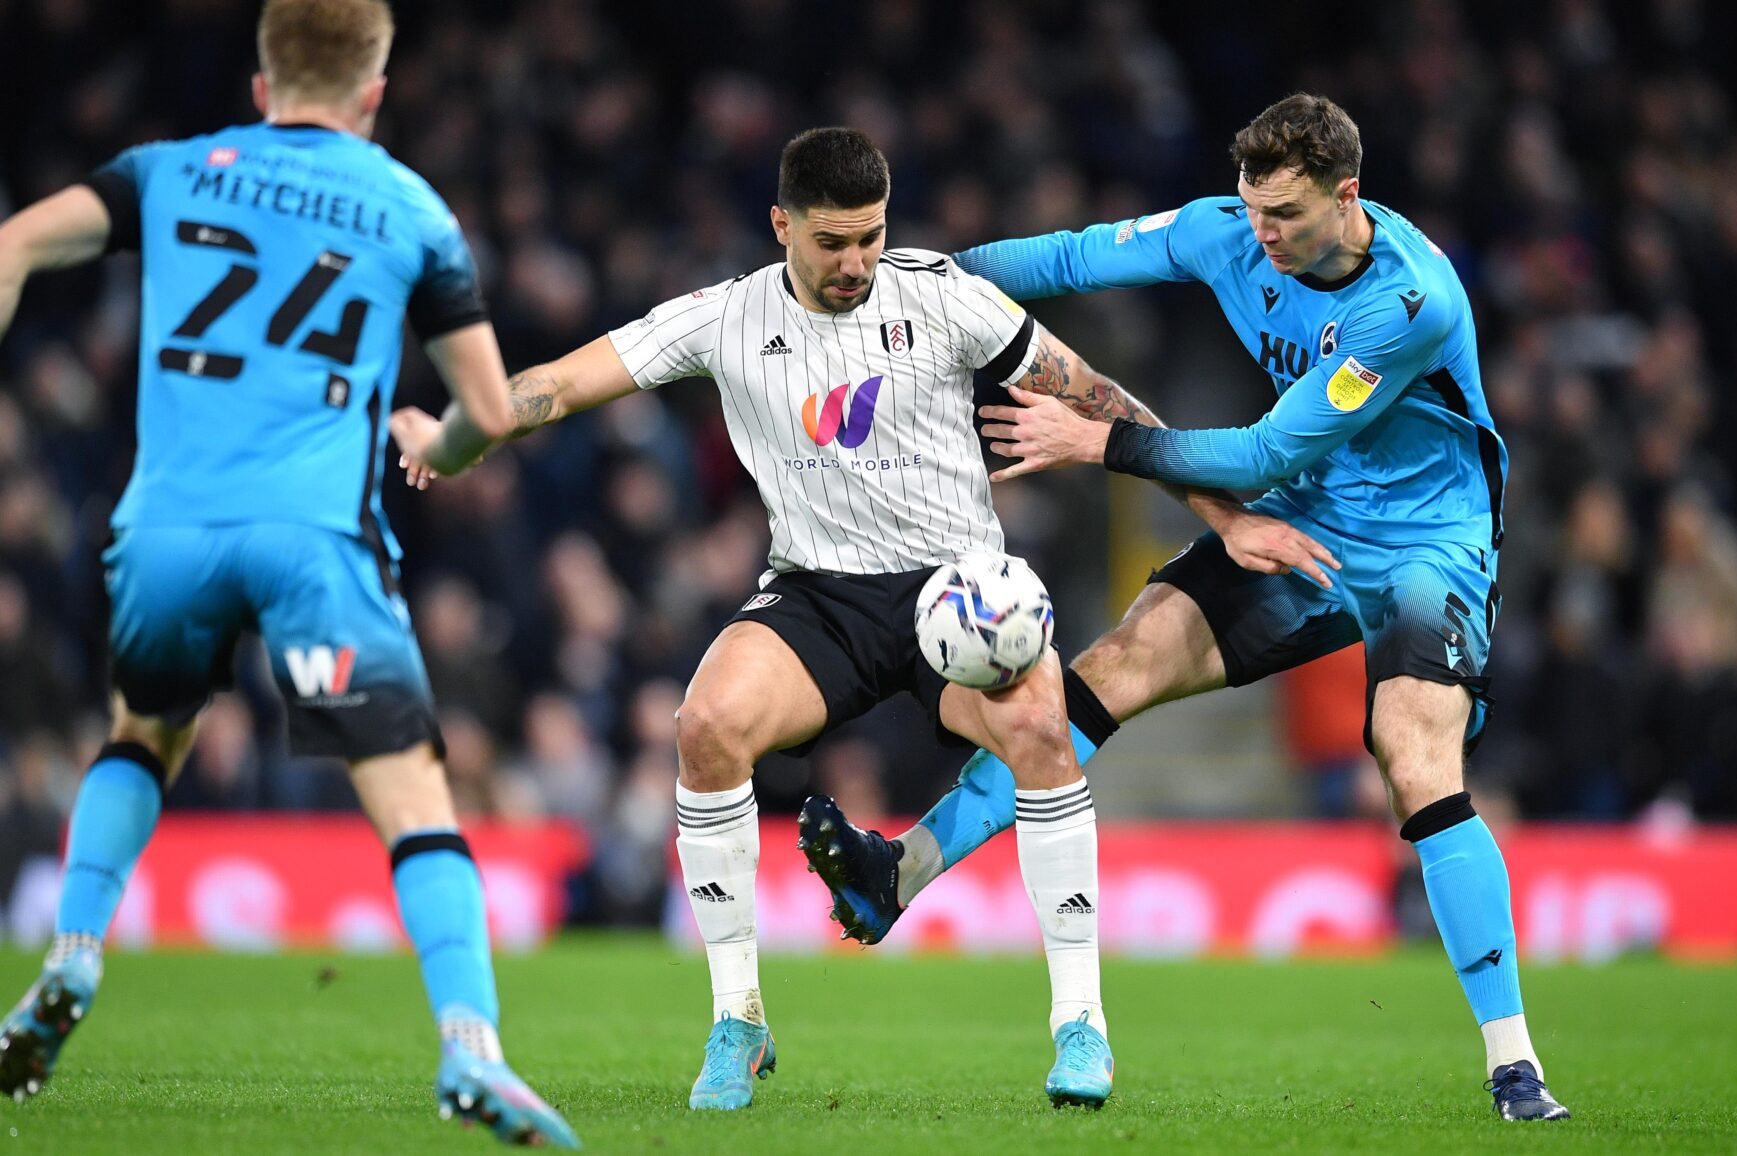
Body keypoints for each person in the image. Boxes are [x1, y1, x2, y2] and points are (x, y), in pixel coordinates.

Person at [396, 126, 1306, 1111]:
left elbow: (1094, 396)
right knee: (705, 727)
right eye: (831, 242)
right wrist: (460, 434)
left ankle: (1080, 1025)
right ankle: (738, 1019)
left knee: (1045, 728)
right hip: (819, 594)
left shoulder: (943, 294)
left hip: (955, 592)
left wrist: (1224, 515)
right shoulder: (725, 316)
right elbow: (562, 383)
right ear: (781, 225)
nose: (855, 263)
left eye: (870, 237)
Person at [799, 93, 1570, 1122]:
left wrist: (1099, 441)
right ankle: (896, 873)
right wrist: (911, 283)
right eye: (1253, 210)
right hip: (1308, 522)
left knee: (1411, 753)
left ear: (1347, 195)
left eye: (1285, 215)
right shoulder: (1224, 231)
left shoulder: (1407, 301)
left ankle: (1514, 1065)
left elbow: (1264, 454)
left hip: (1428, 544)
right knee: (1111, 667)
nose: (1262, 236)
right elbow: (1069, 258)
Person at [0, 1, 578, 1144]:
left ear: (263, 86)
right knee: (412, 797)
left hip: (166, 532)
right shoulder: (408, 204)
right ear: (374, 95)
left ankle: (70, 953)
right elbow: (492, 405)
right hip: (314, 538)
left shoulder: (168, 170)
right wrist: (440, 443)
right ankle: (471, 1046)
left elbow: (13, 242)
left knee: (141, 734)